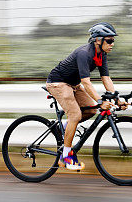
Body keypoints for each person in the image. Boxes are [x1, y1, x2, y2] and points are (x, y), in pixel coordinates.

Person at [45, 22, 126, 170]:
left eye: (113, 40)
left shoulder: (101, 55)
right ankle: (66, 156)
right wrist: (100, 101)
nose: (112, 44)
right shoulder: (84, 53)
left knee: (91, 110)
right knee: (75, 115)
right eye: (109, 40)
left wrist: (117, 100)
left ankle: (64, 128)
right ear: (97, 40)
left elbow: (106, 78)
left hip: (73, 84)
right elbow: (86, 83)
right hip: (58, 82)